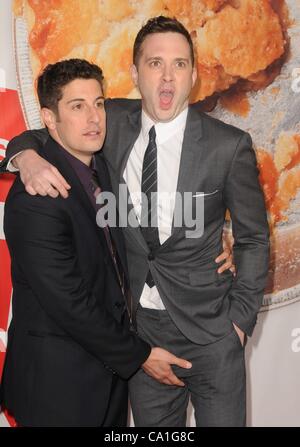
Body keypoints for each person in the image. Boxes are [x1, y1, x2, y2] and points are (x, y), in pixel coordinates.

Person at [1, 16, 269, 427]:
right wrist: (25, 157)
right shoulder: (112, 122)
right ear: (134, 73)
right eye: (154, 63)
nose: (167, 77)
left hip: (213, 332)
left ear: (194, 75)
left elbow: (253, 238)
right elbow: (52, 128)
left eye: (179, 64)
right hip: (140, 333)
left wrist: (239, 322)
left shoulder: (228, 147)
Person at [0, 59, 195, 427]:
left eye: (99, 103)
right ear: (49, 117)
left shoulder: (101, 167)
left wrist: (215, 241)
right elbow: (69, 303)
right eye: (77, 106)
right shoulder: (36, 198)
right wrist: (139, 355)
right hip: (58, 387)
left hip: (106, 381)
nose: (94, 117)